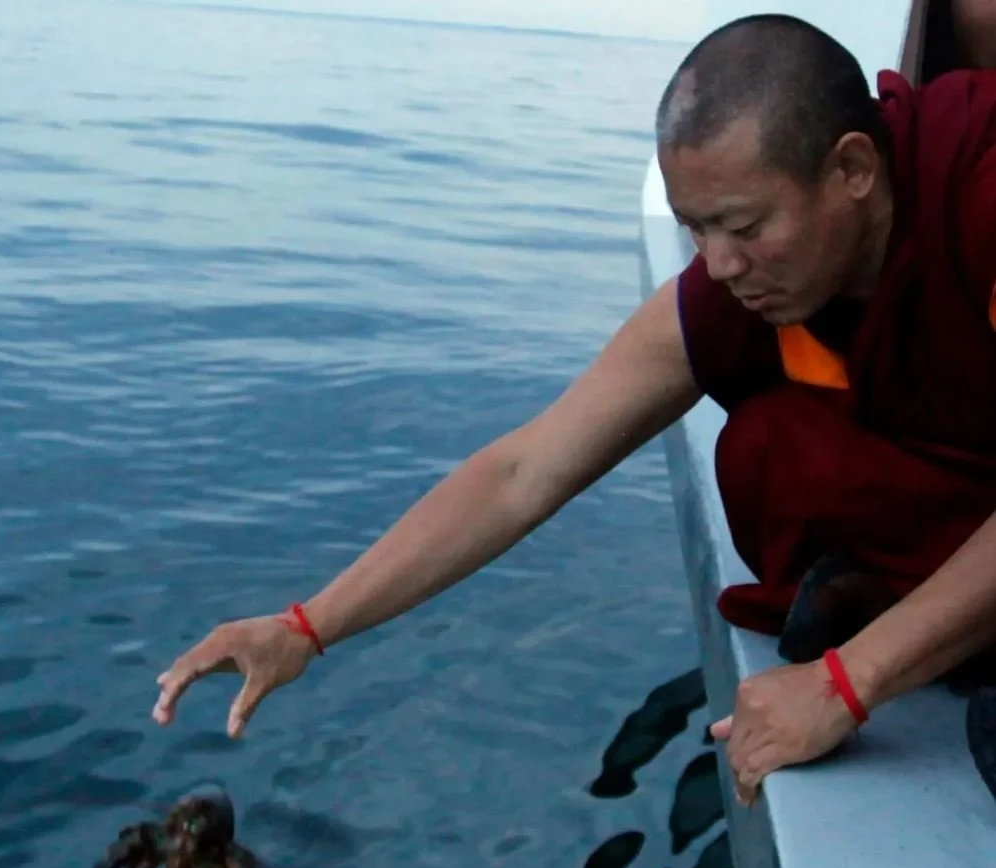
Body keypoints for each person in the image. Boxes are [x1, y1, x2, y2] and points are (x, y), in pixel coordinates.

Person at [152, 14, 996, 808]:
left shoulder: (979, 193)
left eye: (742, 225)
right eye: (695, 230)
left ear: (852, 170)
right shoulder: (734, 294)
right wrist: (307, 625)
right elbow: (525, 471)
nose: (722, 265)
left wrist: (847, 683)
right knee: (775, 442)